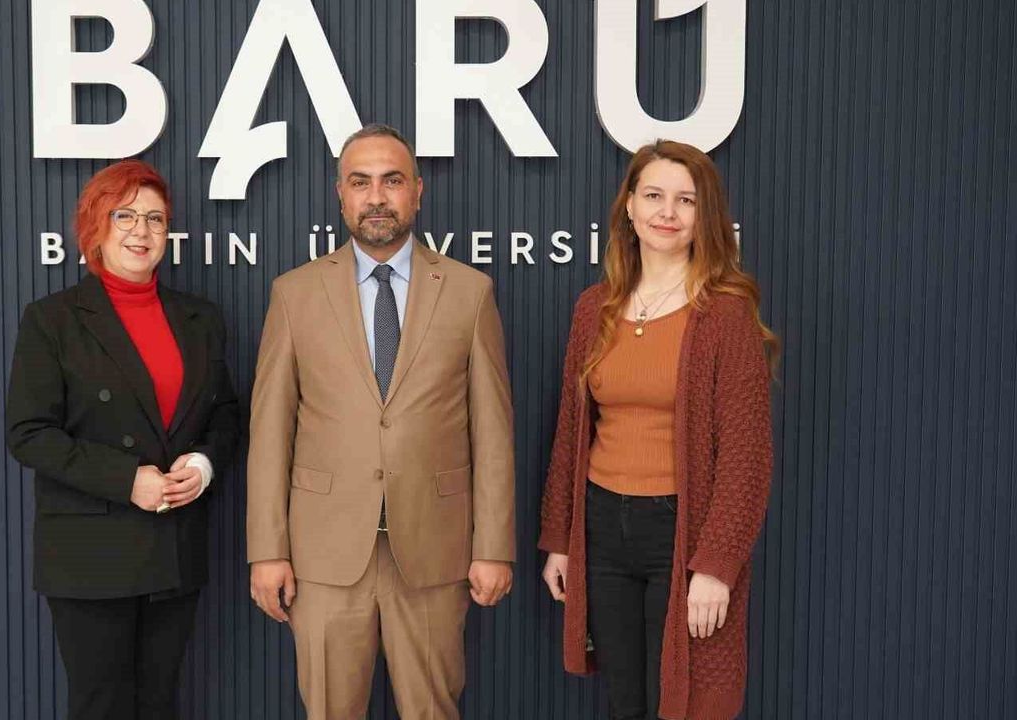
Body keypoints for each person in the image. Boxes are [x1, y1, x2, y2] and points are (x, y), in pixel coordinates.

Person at [246, 124, 515, 719]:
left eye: (391, 181)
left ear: (417, 191)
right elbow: (269, 435)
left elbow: (493, 432)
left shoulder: (470, 292)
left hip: (435, 551)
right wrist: (267, 549)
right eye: (360, 182)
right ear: (340, 194)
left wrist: (494, 547)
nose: (376, 197)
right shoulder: (294, 294)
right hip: (323, 556)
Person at [538, 140, 777, 720]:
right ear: (629, 207)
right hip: (602, 527)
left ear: (705, 215)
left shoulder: (725, 315)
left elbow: (746, 456)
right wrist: (561, 539)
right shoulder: (594, 307)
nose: (667, 212)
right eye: (653, 196)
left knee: (683, 703)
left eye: (685, 200)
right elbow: (572, 430)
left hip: (681, 531)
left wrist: (716, 566)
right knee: (626, 701)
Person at [5, 159, 239, 719]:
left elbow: (226, 413)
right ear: (96, 227)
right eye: (125, 216)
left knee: (160, 703)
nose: (142, 230)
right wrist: (126, 479)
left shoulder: (201, 318)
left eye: (155, 219)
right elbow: (28, 432)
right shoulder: (52, 320)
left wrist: (203, 466)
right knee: (102, 706)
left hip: (174, 547)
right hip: (91, 554)